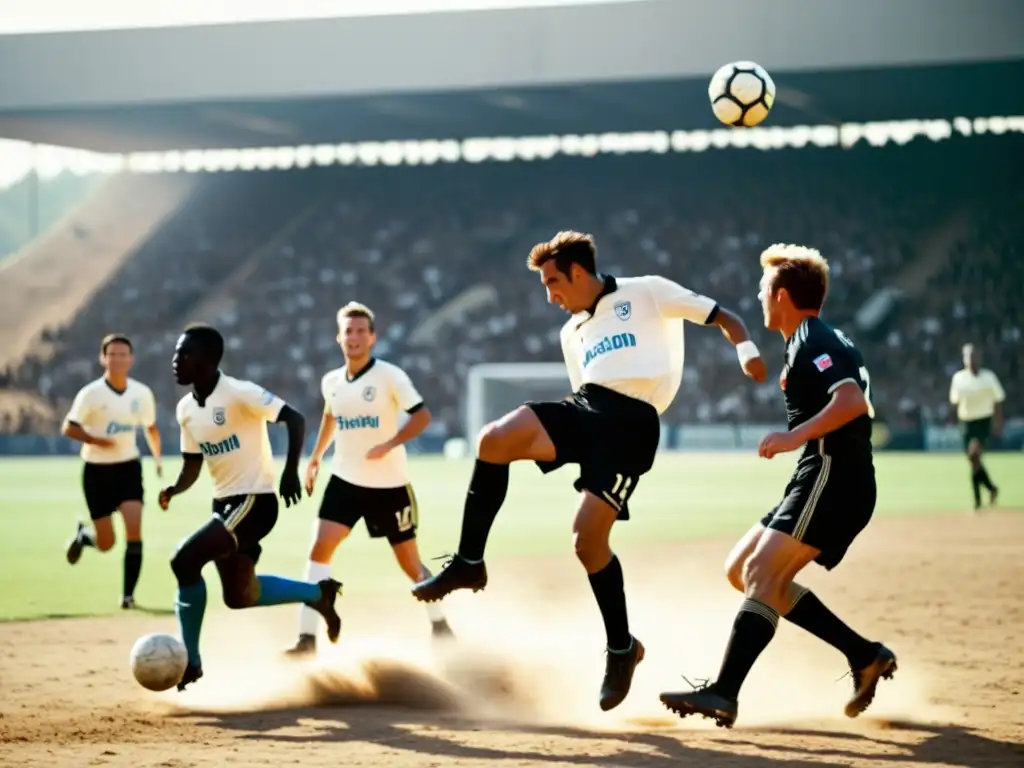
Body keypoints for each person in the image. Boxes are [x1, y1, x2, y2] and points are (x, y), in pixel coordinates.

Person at [412, 231, 766, 711]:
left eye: (553, 282)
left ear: (579, 272)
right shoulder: (570, 333)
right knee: (493, 440)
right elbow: (584, 392)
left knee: (587, 541)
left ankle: (622, 648)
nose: (550, 294)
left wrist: (746, 351)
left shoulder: (646, 291)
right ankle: (470, 562)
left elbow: (725, 316)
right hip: (587, 407)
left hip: (633, 426)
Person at [659, 244, 896, 728]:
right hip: (820, 474)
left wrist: (794, 436)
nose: (759, 296)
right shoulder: (805, 340)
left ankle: (725, 693)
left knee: (764, 574)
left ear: (782, 295)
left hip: (835, 476)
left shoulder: (814, 338)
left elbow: (850, 401)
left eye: (764, 288)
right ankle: (863, 654)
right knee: (742, 570)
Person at [159, 323, 341, 691]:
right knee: (240, 596)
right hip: (225, 505)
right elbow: (193, 463)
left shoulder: (239, 392)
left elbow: (295, 418)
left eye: (184, 354)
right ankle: (319, 593)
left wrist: (290, 470)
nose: (175, 361)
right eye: (176, 353)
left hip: (255, 502)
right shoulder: (185, 410)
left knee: (185, 560)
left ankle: (190, 662)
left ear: (209, 360)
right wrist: (174, 489)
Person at [285, 302, 451, 657]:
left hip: (390, 486)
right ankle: (306, 639)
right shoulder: (331, 380)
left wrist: (390, 444)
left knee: (409, 563)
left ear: (372, 337)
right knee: (319, 550)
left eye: (361, 331)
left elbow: (422, 416)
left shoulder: (389, 376)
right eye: (348, 331)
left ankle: (440, 625)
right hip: (345, 480)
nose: (354, 337)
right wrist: (315, 458)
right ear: (339, 337)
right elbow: (331, 415)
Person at [63, 333, 163, 610]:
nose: (117, 359)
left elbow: (150, 428)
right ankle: (86, 537)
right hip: (96, 472)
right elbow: (68, 427)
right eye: (112, 354)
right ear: (103, 358)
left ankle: (128, 596)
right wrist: (97, 441)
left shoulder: (141, 393)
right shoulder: (91, 394)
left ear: (131, 359)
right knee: (107, 542)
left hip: (128, 468)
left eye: (123, 354)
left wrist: (157, 458)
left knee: (134, 528)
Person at [949, 343, 1004, 510]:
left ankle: (978, 501)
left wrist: (999, 422)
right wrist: (952, 421)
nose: (971, 360)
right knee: (974, 461)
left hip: (983, 421)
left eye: (974, 356)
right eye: (968, 356)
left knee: (974, 455)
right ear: (964, 359)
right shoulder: (958, 378)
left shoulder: (989, 377)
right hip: (966, 422)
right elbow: (954, 402)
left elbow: (998, 400)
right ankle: (991, 488)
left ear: (979, 358)